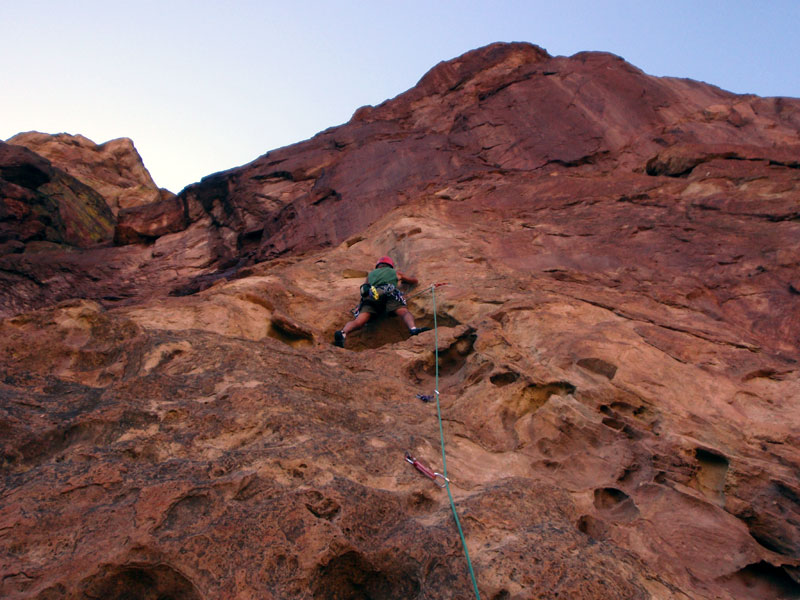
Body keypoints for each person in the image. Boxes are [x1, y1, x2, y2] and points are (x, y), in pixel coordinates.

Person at [334, 256, 430, 347]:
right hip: (389, 293)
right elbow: (414, 281)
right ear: (390, 265)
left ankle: (343, 332)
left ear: (378, 266)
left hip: (371, 297)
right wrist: (403, 280)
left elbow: (365, 287)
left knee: (359, 321)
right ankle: (413, 329)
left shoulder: (370, 274)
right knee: (403, 312)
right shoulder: (395, 273)